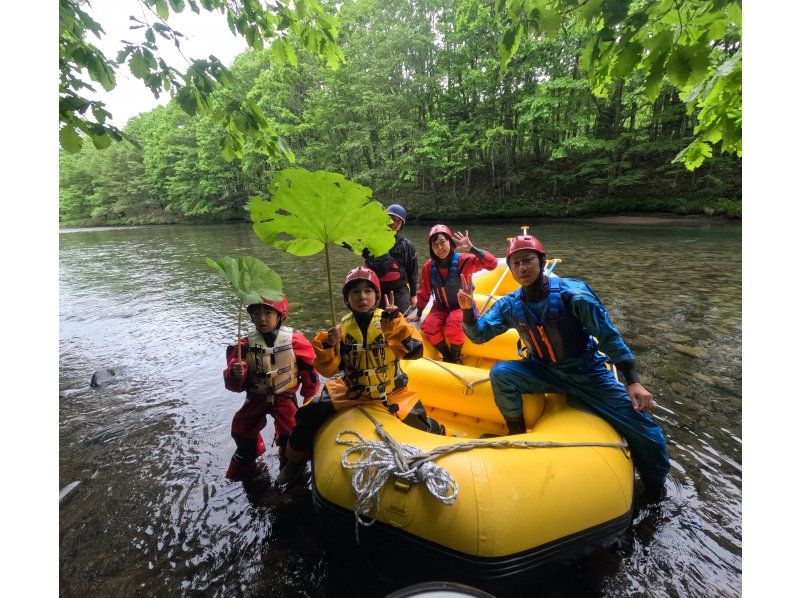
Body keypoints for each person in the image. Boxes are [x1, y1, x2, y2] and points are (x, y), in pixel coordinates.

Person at [457, 233, 670, 495]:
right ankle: (516, 433)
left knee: (649, 434)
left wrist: (633, 381)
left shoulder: (575, 295)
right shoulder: (511, 304)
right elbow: (479, 335)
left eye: (528, 260)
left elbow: (608, 336)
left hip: (587, 372)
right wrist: (468, 310)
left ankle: (655, 488)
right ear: (509, 268)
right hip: (543, 370)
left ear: (542, 261)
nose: (522, 268)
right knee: (501, 373)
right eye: (515, 263)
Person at [276, 266, 444, 485]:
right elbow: (328, 370)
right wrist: (328, 345)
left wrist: (395, 324)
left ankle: (444, 444)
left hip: (391, 391)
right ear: (347, 299)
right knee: (308, 414)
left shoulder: (391, 321)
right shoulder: (340, 330)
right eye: (355, 292)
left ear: (376, 296)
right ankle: (295, 462)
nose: (362, 297)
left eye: (367, 291)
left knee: (423, 422)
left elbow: (415, 352)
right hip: (353, 390)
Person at [223, 296, 320, 482]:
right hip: (256, 398)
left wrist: (309, 397)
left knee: (292, 437)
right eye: (256, 313)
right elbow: (233, 386)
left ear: (280, 315)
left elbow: (310, 371)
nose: (262, 318)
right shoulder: (243, 346)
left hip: (284, 397)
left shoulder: (295, 341)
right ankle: (245, 471)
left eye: (268, 313)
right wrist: (236, 373)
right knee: (242, 434)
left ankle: (290, 470)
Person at [409, 225, 497, 364]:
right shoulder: (428, 266)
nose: (439, 248)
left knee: (454, 323)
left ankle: (456, 356)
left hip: (462, 305)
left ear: (450, 242)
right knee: (428, 326)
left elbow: (492, 264)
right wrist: (419, 313)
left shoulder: (464, 260)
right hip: (440, 306)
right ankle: (447, 354)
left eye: (442, 242)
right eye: (435, 245)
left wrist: (472, 249)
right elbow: (424, 292)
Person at [362, 204, 419, 316]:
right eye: (392, 219)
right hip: (375, 290)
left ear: (401, 226)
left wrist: (413, 295)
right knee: (371, 319)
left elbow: (413, 273)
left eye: (398, 221)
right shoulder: (371, 241)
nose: (394, 223)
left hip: (398, 290)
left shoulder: (406, 245)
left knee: (401, 318)